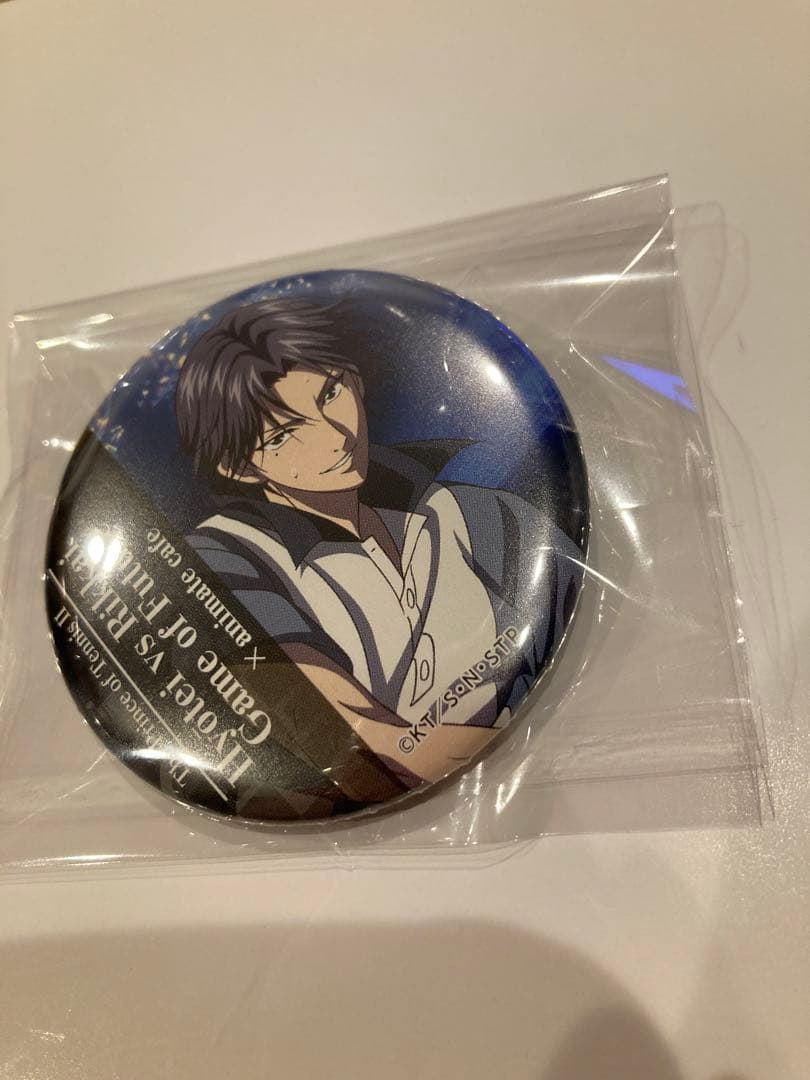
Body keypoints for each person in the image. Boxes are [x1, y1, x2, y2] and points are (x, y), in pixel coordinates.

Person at [175, 297, 583, 785]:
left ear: (356, 380)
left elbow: (564, 583)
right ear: (239, 468)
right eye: (284, 435)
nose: (336, 437)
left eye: (331, 393)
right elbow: (357, 744)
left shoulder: (467, 512)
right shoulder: (226, 560)